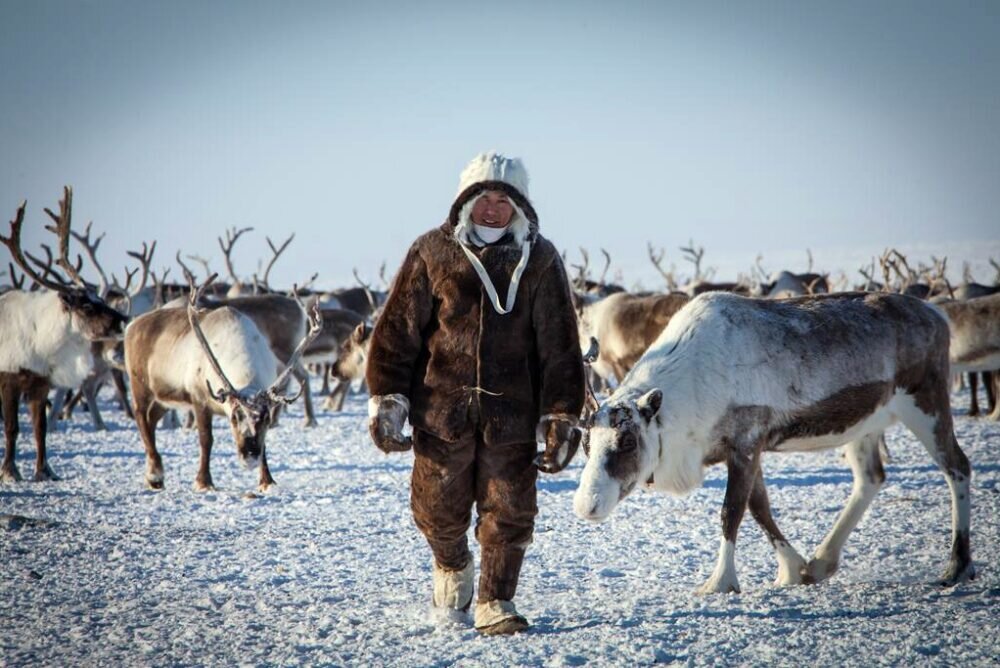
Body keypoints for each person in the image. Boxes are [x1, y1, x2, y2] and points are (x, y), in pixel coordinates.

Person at [366, 151, 586, 635]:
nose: (492, 209)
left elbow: (560, 344)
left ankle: (495, 600)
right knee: (436, 510)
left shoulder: (541, 259)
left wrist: (562, 413)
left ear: (520, 207)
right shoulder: (431, 251)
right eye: (483, 198)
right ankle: (452, 566)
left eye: (503, 200)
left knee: (510, 511)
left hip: (513, 417)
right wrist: (387, 398)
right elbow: (398, 331)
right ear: (465, 201)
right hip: (441, 412)